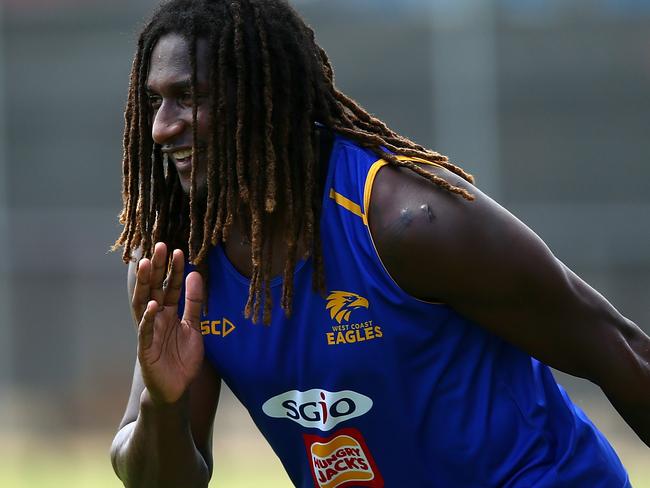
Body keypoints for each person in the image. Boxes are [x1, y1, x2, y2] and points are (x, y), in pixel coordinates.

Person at [110, 0, 650, 486]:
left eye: (188, 98)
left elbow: (616, 348)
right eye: (155, 101)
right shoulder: (179, 264)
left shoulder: (406, 221)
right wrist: (163, 403)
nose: (160, 127)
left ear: (257, 96)